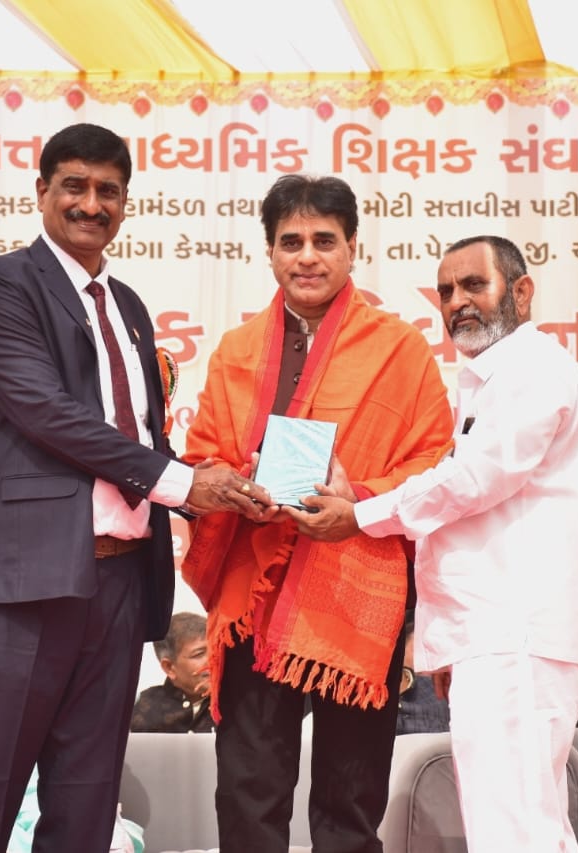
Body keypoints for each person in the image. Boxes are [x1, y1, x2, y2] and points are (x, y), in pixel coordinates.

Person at [0, 123, 267, 853]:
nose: (91, 204)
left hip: (116, 583)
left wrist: (228, 488)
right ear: (42, 191)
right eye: (73, 185)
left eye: (108, 190)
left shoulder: (128, 305)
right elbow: (47, 412)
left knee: (87, 809)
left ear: (125, 203)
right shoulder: (1, 283)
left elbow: (142, 435)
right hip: (19, 583)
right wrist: (183, 482)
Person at [287, 235, 578, 851]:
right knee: (516, 823)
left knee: (514, 829)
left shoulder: (533, 370)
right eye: (446, 291)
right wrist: (449, 646)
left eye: (474, 285)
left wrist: (360, 515)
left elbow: (474, 481)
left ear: (522, 292)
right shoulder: (490, 380)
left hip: (514, 636)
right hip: (492, 635)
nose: (457, 302)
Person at [181, 174, 452, 852]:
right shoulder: (236, 349)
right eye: (291, 241)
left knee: (350, 793)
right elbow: (204, 453)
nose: (307, 256)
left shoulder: (399, 348)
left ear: (353, 247)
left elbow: (432, 462)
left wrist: (356, 501)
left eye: (324, 241)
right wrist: (235, 486)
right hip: (255, 584)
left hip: (354, 583)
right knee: (249, 785)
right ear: (270, 252)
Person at [130, 611, 212, 733]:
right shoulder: (144, 709)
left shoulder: (235, 703)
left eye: (216, 650)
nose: (212, 660)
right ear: (169, 667)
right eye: (199, 654)